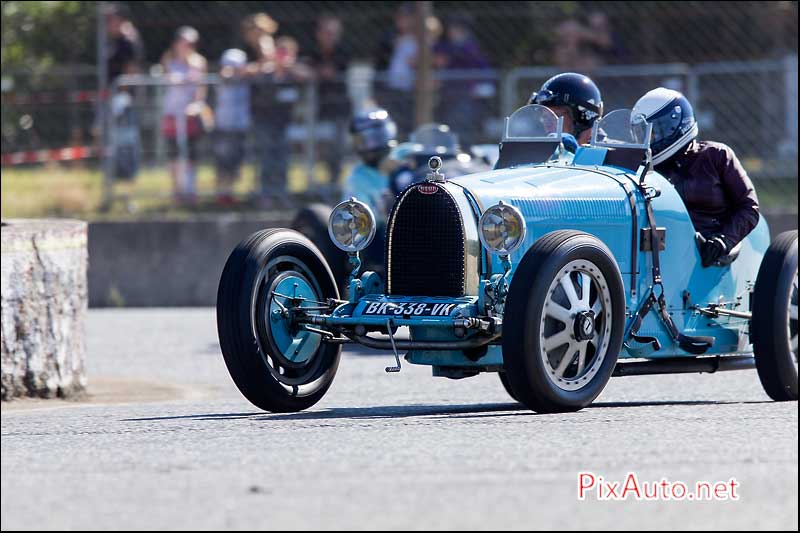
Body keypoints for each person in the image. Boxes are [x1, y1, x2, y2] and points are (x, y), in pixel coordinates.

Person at [632, 88, 760, 267]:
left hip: (708, 257)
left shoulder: (717, 155)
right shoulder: (643, 169)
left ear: (675, 123)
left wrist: (723, 240)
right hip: (661, 256)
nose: (649, 140)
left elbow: (749, 206)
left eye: (654, 132)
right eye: (643, 134)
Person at [160, 26, 210, 204]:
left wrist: (196, 105)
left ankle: (190, 190)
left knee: (191, 155)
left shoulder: (199, 61)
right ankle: (176, 192)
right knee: (174, 154)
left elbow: (201, 89)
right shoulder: (169, 59)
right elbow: (166, 79)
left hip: (189, 114)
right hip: (172, 113)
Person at [306, 14, 351, 188]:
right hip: (319, 106)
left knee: (337, 147)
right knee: (320, 147)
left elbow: (328, 72)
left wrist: (314, 72)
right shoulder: (313, 51)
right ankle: (318, 182)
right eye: (325, 32)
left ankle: (334, 180)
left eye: (332, 33)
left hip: (339, 107)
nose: (328, 36)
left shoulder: (343, 51)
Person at [433, 16, 491, 146]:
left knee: (463, 126)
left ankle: (465, 150)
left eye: (455, 29)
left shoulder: (468, 47)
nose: (451, 32)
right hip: (451, 94)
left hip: (465, 94)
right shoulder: (451, 46)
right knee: (451, 125)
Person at [341, 108, 398, 219]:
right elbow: (352, 220)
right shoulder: (358, 177)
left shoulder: (407, 155)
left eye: (372, 139)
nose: (364, 147)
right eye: (359, 142)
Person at [214, 49, 251, 206]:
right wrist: (233, 71)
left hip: (240, 125)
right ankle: (221, 193)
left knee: (236, 162)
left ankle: (230, 192)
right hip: (224, 125)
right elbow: (225, 73)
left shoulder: (246, 79)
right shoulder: (224, 77)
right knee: (223, 161)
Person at [376, 3, 418, 137]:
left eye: (408, 18)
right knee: (392, 124)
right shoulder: (389, 36)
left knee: (409, 124)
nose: (404, 21)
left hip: (412, 90)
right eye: (401, 18)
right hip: (391, 89)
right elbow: (380, 59)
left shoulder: (421, 38)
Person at [528, 72, 603, 146]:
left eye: (556, 116)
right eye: (545, 117)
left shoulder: (610, 154)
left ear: (582, 119)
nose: (548, 124)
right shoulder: (544, 154)